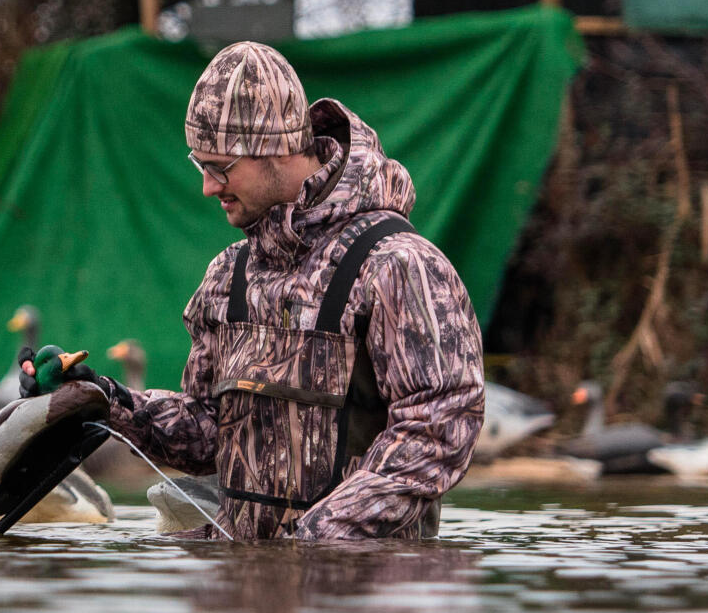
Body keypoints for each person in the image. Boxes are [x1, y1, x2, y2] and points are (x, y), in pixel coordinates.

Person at [27, 40, 483, 540]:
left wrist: (311, 543)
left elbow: (439, 429)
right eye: (199, 165)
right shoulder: (229, 275)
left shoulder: (400, 267)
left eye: (220, 167)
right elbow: (206, 435)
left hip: (363, 601)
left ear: (278, 148)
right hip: (242, 598)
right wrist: (102, 399)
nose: (207, 186)